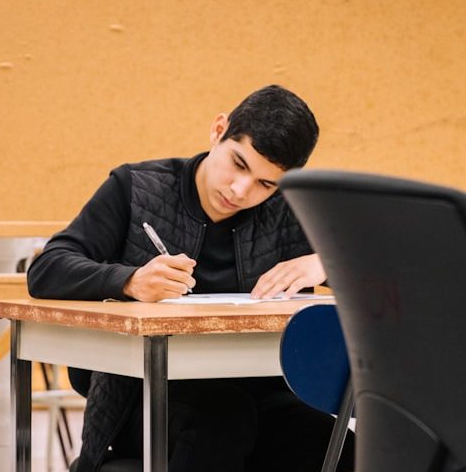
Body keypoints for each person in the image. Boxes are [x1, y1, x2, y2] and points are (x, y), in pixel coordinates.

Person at [27, 85, 354, 472]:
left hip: (262, 393)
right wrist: (129, 281)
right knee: (221, 421)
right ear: (218, 130)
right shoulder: (136, 188)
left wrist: (327, 264)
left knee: (348, 451)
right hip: (144, 395)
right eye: (238, 163)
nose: (240, 191)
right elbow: (47, 269)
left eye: (266, 184)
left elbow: (392, 278)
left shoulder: (288, 211)